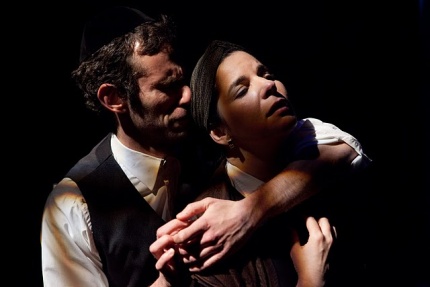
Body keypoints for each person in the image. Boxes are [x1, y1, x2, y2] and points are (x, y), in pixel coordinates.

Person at [40, 7, 369, 287]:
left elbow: (341, 148)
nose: (186, 96)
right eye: (167, 87)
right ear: (113, 99)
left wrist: (251, 210)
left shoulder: (200, 133)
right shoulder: (71, 206)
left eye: (182, 80)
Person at [150, 39, 371, 286]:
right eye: (242, 90)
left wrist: (250, 211)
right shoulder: (211, 233)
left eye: (267, 74)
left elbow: (345, 150)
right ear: (220, 132)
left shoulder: (308, 138)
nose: (269, 85)